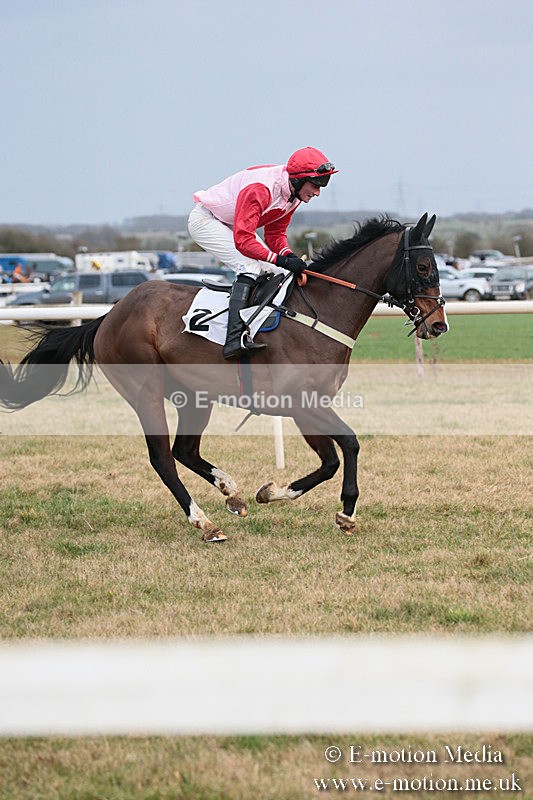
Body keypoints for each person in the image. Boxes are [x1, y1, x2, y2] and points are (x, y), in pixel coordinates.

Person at [188, 146, 338, 359]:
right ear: (297, 180)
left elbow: (275, 233)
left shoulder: (294, 195)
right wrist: (280, 259)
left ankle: (262, 329)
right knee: (249, 266)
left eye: (322, 185)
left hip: (233, 223)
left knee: (277, 271)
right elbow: (243, 240)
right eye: (315, 185)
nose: (317, 192)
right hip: (207, 220)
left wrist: (288, 256)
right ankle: (233, 339)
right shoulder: (262, 189)